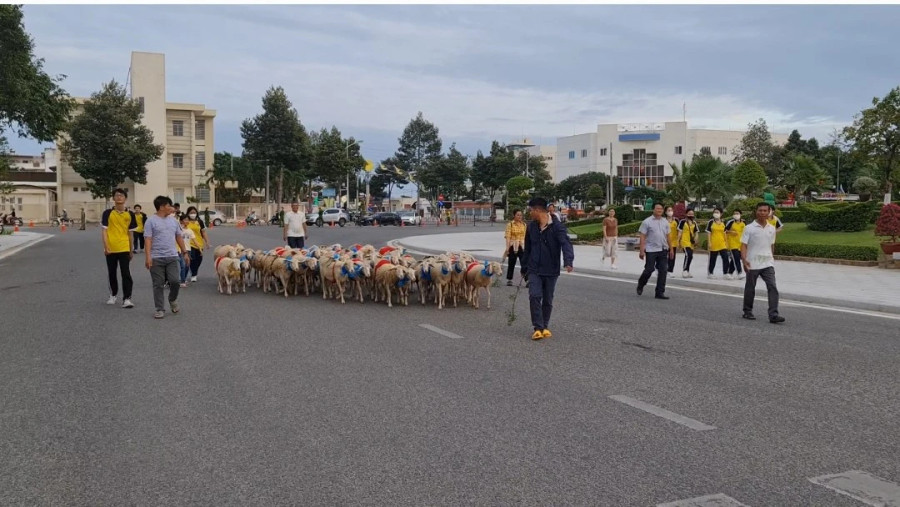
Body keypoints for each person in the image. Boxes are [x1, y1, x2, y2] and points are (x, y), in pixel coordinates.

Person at [522, 197, 575, 341]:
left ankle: (544, 326)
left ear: (537, 210)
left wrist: (568, 261)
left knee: (547, 300)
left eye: (531, 210)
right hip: (534, 269)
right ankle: (538, 327)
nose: (530, 213)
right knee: (534, 295)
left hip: (551, 269)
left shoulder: (557, 227)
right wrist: (524, 266)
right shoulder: (531, 226)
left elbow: (566, 244)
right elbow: (527, 248)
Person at [144, 196, 191, 319]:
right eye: (169, 206)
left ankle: (172, 299)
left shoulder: (174, 221)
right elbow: (148, 239)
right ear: (162, 206)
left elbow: (179, 237)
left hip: (172, 256)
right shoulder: (150, 221)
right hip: (156, 257)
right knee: (158, 284)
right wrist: (148, 257)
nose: (172, 208)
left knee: (175, 281)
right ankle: (159, 309)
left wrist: (185, 253)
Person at [741, 202, 784, 323]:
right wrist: (744, 260)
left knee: (772, 287)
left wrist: (772, 258)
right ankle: (747, 311)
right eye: (760, 210)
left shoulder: (771, 228)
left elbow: (771, 245)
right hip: (752, 262)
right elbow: (743, 245)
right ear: (756, 211)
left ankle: (773, 315)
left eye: (765, 211)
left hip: (767, 263)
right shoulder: (749, 228)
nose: (763, 213)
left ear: (769, 212)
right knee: (750, 288)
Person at [101, 188, 137, 308]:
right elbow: (104, 231)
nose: (119, 197)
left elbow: (131, 234)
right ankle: (113, 295)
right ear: (113, 198)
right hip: (111, 248)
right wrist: (106, 247)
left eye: (121, 195)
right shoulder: (107, 213)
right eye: (116, 195)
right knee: (112, 272)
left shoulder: (130, 214)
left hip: (124, 247)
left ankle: (127, 298)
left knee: (125, 273)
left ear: (125, 198)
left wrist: (131, 250)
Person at [637, 202, 671, 300]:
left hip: (663, 249)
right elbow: (642, 236)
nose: (659, 210)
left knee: (663, 271)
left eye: (661, 209)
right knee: (649, 269)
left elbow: (668, 236)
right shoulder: (647, 222)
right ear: (653, 210)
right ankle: (641, 283)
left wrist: (671, 248)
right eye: (657, 208)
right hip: (651, 249)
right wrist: (641, 250)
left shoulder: (665, 222)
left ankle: (660, 292)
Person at [184, 206, 210, 282]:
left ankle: (194, 271)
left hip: (199, 244)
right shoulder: (186, 221)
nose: (193, 214)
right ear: (188, 213)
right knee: (192, 259)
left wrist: (207, 242)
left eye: (194, 212)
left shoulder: (200, 222)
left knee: (199, 260)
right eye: (191, 213)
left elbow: (203, 232)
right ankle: (194, 274)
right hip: (189, 244)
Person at [503, 209, 526, 286]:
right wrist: (507, 248)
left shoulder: (524, 225)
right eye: (518, 215)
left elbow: (525, 236)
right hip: (513, 246)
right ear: (514, 215)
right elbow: (508, 237)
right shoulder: (510, 224)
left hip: (522, 246)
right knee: (511, 263)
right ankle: (509, 279)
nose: (520, 216)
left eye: (520, 215)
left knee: (524, 263)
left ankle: (527, 279)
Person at [706, 207, 730, 279]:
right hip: (714, 243)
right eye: (715, 212)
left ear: (721, 214)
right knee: (713, 259)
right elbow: (709, 233)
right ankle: (710, 273)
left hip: (722, 243)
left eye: (717, 212)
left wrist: (726, 242)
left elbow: (724, 233)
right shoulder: (711, 222)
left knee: (726, 258)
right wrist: (709, 242)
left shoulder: (723, 222)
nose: (716, 214)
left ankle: (725, 273)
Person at [676, 209, 699, 278]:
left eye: (692, 213)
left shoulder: (694, 222)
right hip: (684, 241)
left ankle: (687, 270)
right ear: (686, 214)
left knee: (690, 256)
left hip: (691, 243)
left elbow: (696, 232)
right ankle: (685, 270)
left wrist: (696, 239)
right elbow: (679, 232)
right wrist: (678, 242)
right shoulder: (682, 222)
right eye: (689, 213)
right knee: (688, 255)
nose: (691, 215)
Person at [725, 209, 746, 280]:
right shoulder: (730, 222)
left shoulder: (743, 223)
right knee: (736, 257)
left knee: (734, 259)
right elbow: (725, 230)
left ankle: (729, 273)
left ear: (740, 214)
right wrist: (731, 232)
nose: (735, 215)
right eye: (734, 214)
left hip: (740, 243)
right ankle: (739, 273)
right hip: (732, 243)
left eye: (737, 213)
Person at [177, 213, 195, 287]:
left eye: (188, 220)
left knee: (187, 265)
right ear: (181, 221)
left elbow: (194, 240)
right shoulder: (178, 229)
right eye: (185, 220)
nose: (187, 221)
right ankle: (182, 281)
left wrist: (199, 248)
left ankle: (183, 278)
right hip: (180, 249)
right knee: (183, 265)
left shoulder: (190, 230)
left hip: (188, 249)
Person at [665, 205, 678, 274]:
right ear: (666, 212)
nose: (670, 212)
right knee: (664, 257)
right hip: (665, 242)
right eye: (669, 210)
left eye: (671, 210)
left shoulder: (676, 220)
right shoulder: (663, 220)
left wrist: (679, 240)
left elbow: (679, 231)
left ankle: (670, 270)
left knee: (672, 257)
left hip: (674, 242)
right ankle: (661, 268)